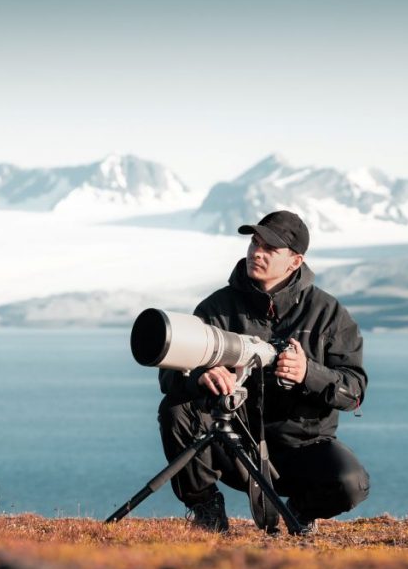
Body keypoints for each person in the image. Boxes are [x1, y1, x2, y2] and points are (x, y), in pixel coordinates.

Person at [157, 210, 370, 534]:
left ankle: (299, 511)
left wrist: (308, 373)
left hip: (302, 450)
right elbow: (168, 376)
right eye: (255, 242)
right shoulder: (216, 309)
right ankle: (206, 510)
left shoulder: (329, 314)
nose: (257, 252)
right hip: (232, 445)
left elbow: (354, 392)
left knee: (351, 483)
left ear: (295, 262)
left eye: (270, 248)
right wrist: (200, 376)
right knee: (177, 406)